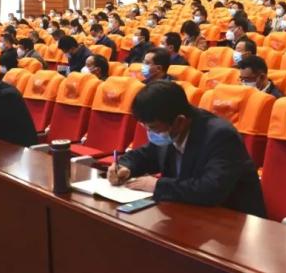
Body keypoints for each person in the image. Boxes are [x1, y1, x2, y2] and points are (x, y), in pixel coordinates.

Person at [106, 81, 265, 216]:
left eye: (153, 128)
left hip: (229, 218)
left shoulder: (220, 136)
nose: (150, 133)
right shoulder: (167, 127)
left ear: (179, 121)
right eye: (144, 127)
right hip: (184, 211)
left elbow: (211, 190)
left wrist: (157, 186)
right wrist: (125, 166)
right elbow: (148, 155)